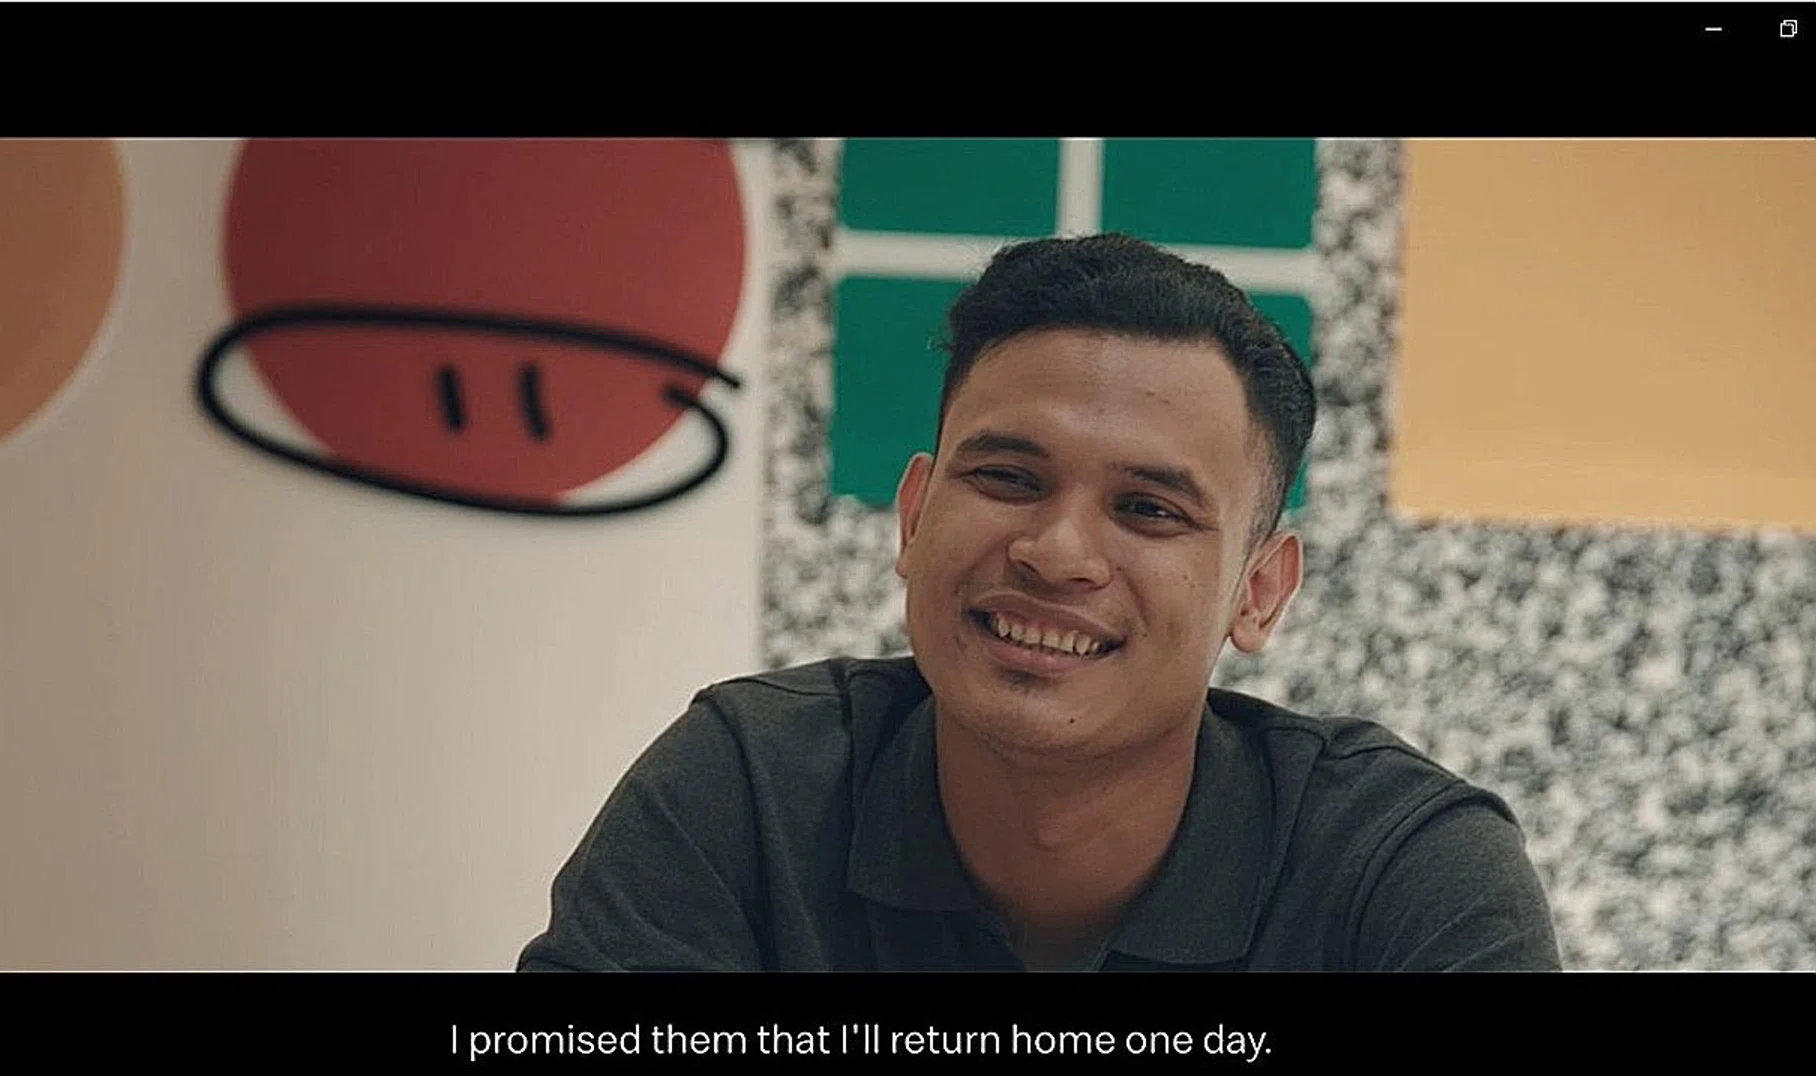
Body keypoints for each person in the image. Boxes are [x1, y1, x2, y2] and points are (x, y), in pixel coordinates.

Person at [518, 233, 1560, 971]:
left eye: (1148, 508)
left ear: (1259, 589)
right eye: (1009, 478)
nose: (1058, 551)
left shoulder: (1403, 870)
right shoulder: (746, 790)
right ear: (915, 514)